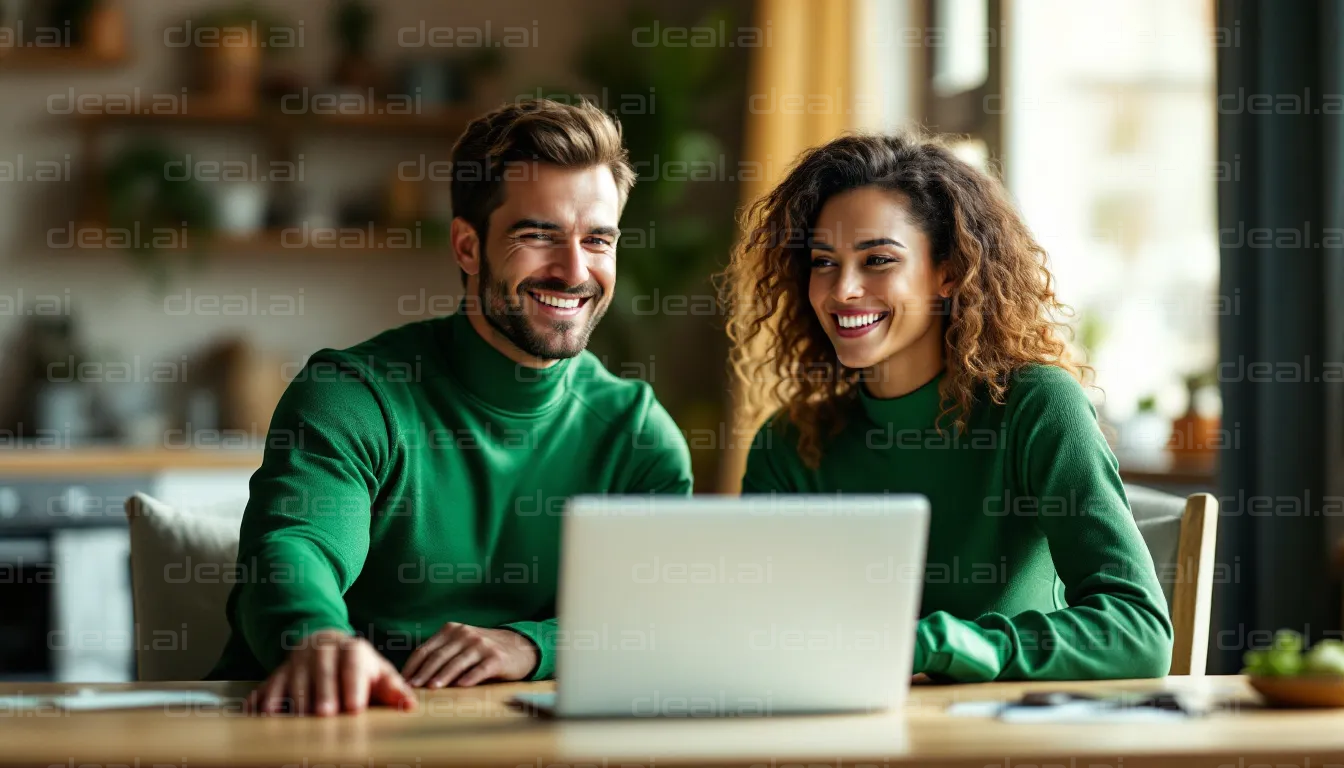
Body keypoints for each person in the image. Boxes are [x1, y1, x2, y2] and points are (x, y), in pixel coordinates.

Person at [209, 98, 693, 715]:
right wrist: (319, 638)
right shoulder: (353, 395)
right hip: (313, 725)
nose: (574, 271)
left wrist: (533, 644)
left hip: (511, 742)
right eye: (538, 236)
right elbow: (293, 548)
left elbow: (651, 618)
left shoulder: (638, 436)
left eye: (598, 240)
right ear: (467, 246)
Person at [720, 133, 1172, 682]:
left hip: (1007, 728)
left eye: (878, 260)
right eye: (823, 262)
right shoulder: (789, 443)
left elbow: (1139, 631)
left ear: (948, 272)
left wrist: (943, 644)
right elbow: (759, 634)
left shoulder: (1035, 407)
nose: (843, 290)